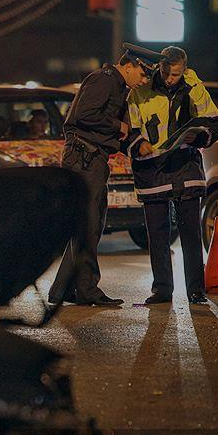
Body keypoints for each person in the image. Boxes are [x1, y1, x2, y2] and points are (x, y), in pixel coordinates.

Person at [48, 45, 150, 307]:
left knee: (88, 224)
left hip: (92, 158)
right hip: (85, 158)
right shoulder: (104, 80)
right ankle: (87, 290)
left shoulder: (117, 85)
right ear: (129, 65)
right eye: (142, 73)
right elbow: (85, 114)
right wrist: (118, 125)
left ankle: (62, 289)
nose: (144, 80)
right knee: (89, 224)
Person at [126, 46, 218, 306]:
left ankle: (196, 290)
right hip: (151, 170)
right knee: (157, 233)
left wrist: (199, 137)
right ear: (159, 67)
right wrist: (138, 143)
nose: (170, 79)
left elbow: (214, 123)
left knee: (191, 232)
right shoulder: (141, 90)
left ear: (185, 69)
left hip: (185, 166)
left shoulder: (194, 87)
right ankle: (162, 289)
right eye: (166, 73)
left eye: (176, 74)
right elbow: (129, 128)